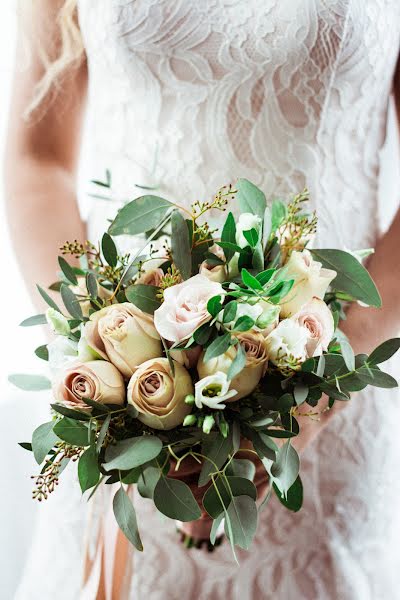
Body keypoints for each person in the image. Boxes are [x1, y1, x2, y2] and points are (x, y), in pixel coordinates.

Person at [5, 1, 400, 598]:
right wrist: (105, 357)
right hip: (125, 393)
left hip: (330, 389)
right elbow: (38, 158)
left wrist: (312, 400)